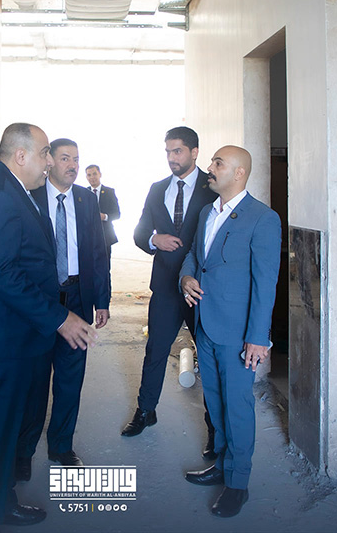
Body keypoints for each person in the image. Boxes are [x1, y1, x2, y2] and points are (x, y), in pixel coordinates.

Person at [0, 123, 97, 533]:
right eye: (46, 152)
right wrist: (60, 317)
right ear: (21, 156)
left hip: (10, 332)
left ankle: (2, 504)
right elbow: (2, 273)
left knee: (7, 428)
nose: (49, 161)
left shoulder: (12, 190)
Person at [180, 145, 281, 518]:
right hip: (205, 324)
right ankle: (221, 464)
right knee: (215, 402)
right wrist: (186, 277)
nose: (210, 167)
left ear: (239, 172)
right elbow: (195, 256)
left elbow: (265, 283)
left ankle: (238, 484)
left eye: (218, 163)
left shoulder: (262, 218)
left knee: (237, 406)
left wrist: (258, 337)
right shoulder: (207, 212)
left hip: (239, 333)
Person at [16, 139, 111, 479]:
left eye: (76, 159)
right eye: (65, 158)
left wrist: (102, 300)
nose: (72, 165)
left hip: (77, 297)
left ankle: (61, 446)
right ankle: (23, 453)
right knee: (34, 381)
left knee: (70, 380)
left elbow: (98, 253)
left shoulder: (86, 200)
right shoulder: (30, 196)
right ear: (49, 162)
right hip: (39, 303)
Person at [123, 126, 217, 454]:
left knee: (208, 356)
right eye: (167, 152)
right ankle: (145, 411)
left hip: (201, 289)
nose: (171, 158)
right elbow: (139, 232)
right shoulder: (157, 188)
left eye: (177, 151)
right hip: (164, 286)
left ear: (194, 152)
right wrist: (154, 239)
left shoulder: (213, 187)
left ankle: (214, 428)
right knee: (156, 351)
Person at [85, 164, 121, 257]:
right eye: (89, 175)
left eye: (94, 174)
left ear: (100, 174)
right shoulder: (83, 193)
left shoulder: (109, 192)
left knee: (105, 264)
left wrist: (104, 217)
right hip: (88, 238)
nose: (92, 177)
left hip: (105, 238)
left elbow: (117, 214)